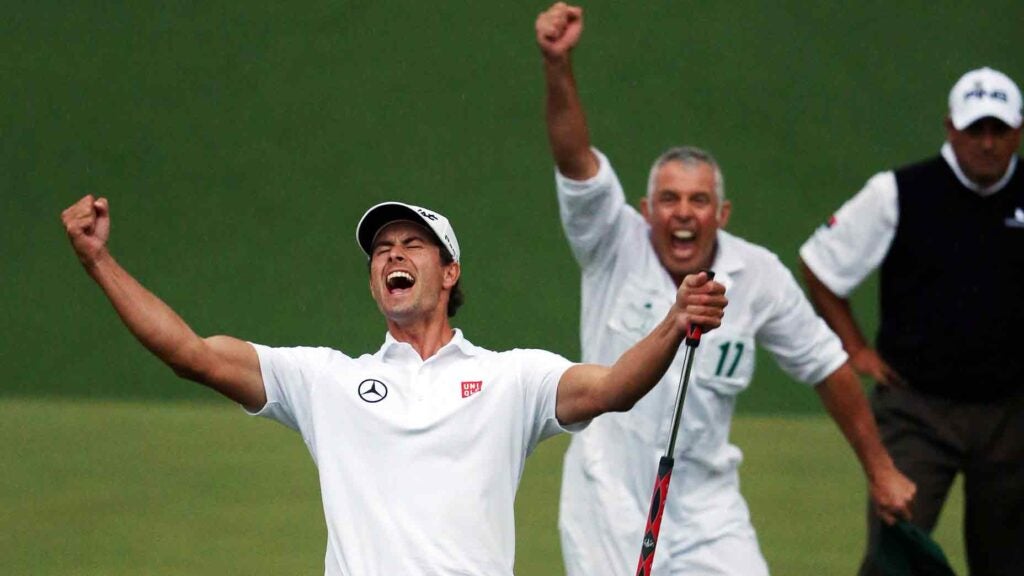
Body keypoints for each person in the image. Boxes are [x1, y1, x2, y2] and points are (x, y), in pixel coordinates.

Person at [60, 195, 727, 575]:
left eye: (413, 244)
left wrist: (675, 323)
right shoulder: (325, 380)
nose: (393, 255)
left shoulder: (512, 378)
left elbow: (614, 387)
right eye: (382, 249)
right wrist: (99, 263)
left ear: (449, 271)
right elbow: (190, 353)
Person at [534, 4, 916, 575]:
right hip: (606, 502)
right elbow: (575, 159)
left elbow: (826, 365)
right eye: (668, 199)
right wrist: (557, 65)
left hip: (709, 511)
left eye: (698, 200)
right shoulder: (611, 242)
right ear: (645, 210)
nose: (682, 214)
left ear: (723, 213)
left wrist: (880, 468)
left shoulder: (758, 275)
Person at [799, 66, 1024, 576]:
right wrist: (855, 348)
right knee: (895, 553)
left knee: (1009, 558)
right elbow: (820, 264)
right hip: (917, 410)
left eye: (999, 131)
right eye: (975, 130)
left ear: (1018, 131)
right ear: (950, 128)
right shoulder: (899, 192)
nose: (986, 144)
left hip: (1011, 414)